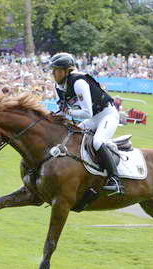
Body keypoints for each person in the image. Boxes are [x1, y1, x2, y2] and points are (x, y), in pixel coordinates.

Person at [49, 52, 124, 195]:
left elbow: (86, 112)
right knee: (71, 134)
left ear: (66, 71)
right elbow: (63, 109)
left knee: (97, 142)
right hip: (94, 118)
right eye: (52, 70)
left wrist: (67, 113)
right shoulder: (59, 86)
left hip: (107, 115)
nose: (53, 73)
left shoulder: (78, 82)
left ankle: (115, 180)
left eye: (56, 70)